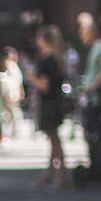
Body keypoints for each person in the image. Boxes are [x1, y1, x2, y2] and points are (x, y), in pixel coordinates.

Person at [27, 25, 68, 190]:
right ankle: (49, 173)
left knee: (54, 140)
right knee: (54, 139)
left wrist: (31, 78)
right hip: (56, 102)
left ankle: (60, 174)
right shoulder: (58, 59)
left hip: (49, 103)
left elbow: (44, 85)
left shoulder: (46, 60)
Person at [76, 12, 101, 181]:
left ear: (92, 32)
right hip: (90, 97)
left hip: (97, 99)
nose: (81, 36)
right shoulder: (93, 49)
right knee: (90, 133)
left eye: (83, 32)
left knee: (95, 133)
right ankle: (96, 166)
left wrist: (94, 86)